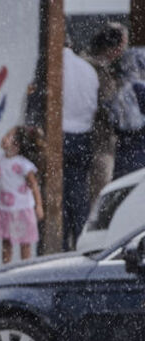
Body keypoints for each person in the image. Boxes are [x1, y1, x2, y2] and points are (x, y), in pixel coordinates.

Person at [0, 126, 45, 264]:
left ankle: (25, 267)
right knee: (6, 241)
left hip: (22, 209)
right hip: (4, 209)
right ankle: (6, 268)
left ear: (17, 144)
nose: (4, 138)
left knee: (25, 242)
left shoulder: (23, 164)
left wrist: (38, 205)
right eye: (6, 134)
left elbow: (34, 185)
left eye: (8, 136)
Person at [61, 36, 99, 250]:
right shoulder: (88, 70)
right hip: (83, 136)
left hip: (63, 134)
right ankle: (82, 243)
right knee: (78, 194)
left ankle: (62, 245)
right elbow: (92, 106)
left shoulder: (55, 68)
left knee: (61, 197)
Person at [87, 23, 128, 212]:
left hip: (97, 142)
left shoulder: (95, 67)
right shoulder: (99, 71)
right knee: (99, 197)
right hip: (99, 144)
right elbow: (108, 108)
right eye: (122, 46)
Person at [111, 47, 145, 179]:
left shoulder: (121, 87)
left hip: (123, 150)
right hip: (140, 149)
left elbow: (115, 122)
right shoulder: (140, 88)